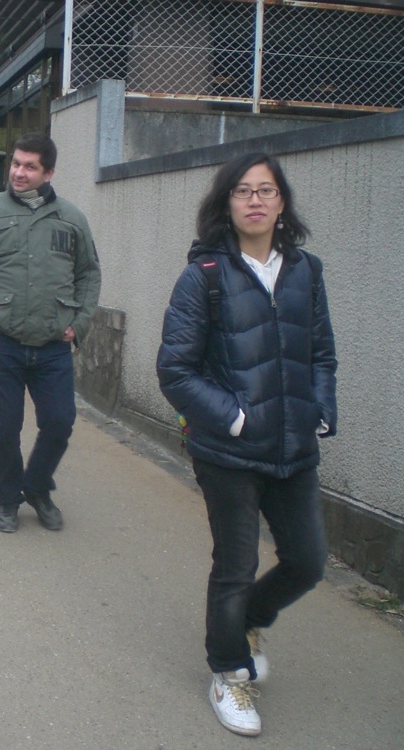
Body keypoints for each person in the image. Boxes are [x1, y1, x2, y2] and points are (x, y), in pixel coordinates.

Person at [156, 152, 337, 737]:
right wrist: (234, 419)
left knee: (307, 561)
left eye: (266, 190)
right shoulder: (204, 276)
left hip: (294, 449)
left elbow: (321, 354)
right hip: (228, 453)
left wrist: (321, 409)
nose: (255, 200)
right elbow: (175, 371)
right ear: (226, 203)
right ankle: (228, 672)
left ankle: (248, 622)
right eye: (242, 190)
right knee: (235, 566)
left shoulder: (306, 270)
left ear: (282, 202)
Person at [0, 133, 101, 534]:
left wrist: (79, 323)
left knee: (60, 422)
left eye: (30, 166)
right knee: (2, 428)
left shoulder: (71, 219)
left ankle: (36, 486)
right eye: (16, 163)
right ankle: (8, 497)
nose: (19, 172)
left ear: (48, 173)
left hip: (53, 346)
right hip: (1, 344)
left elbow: (89, 273)